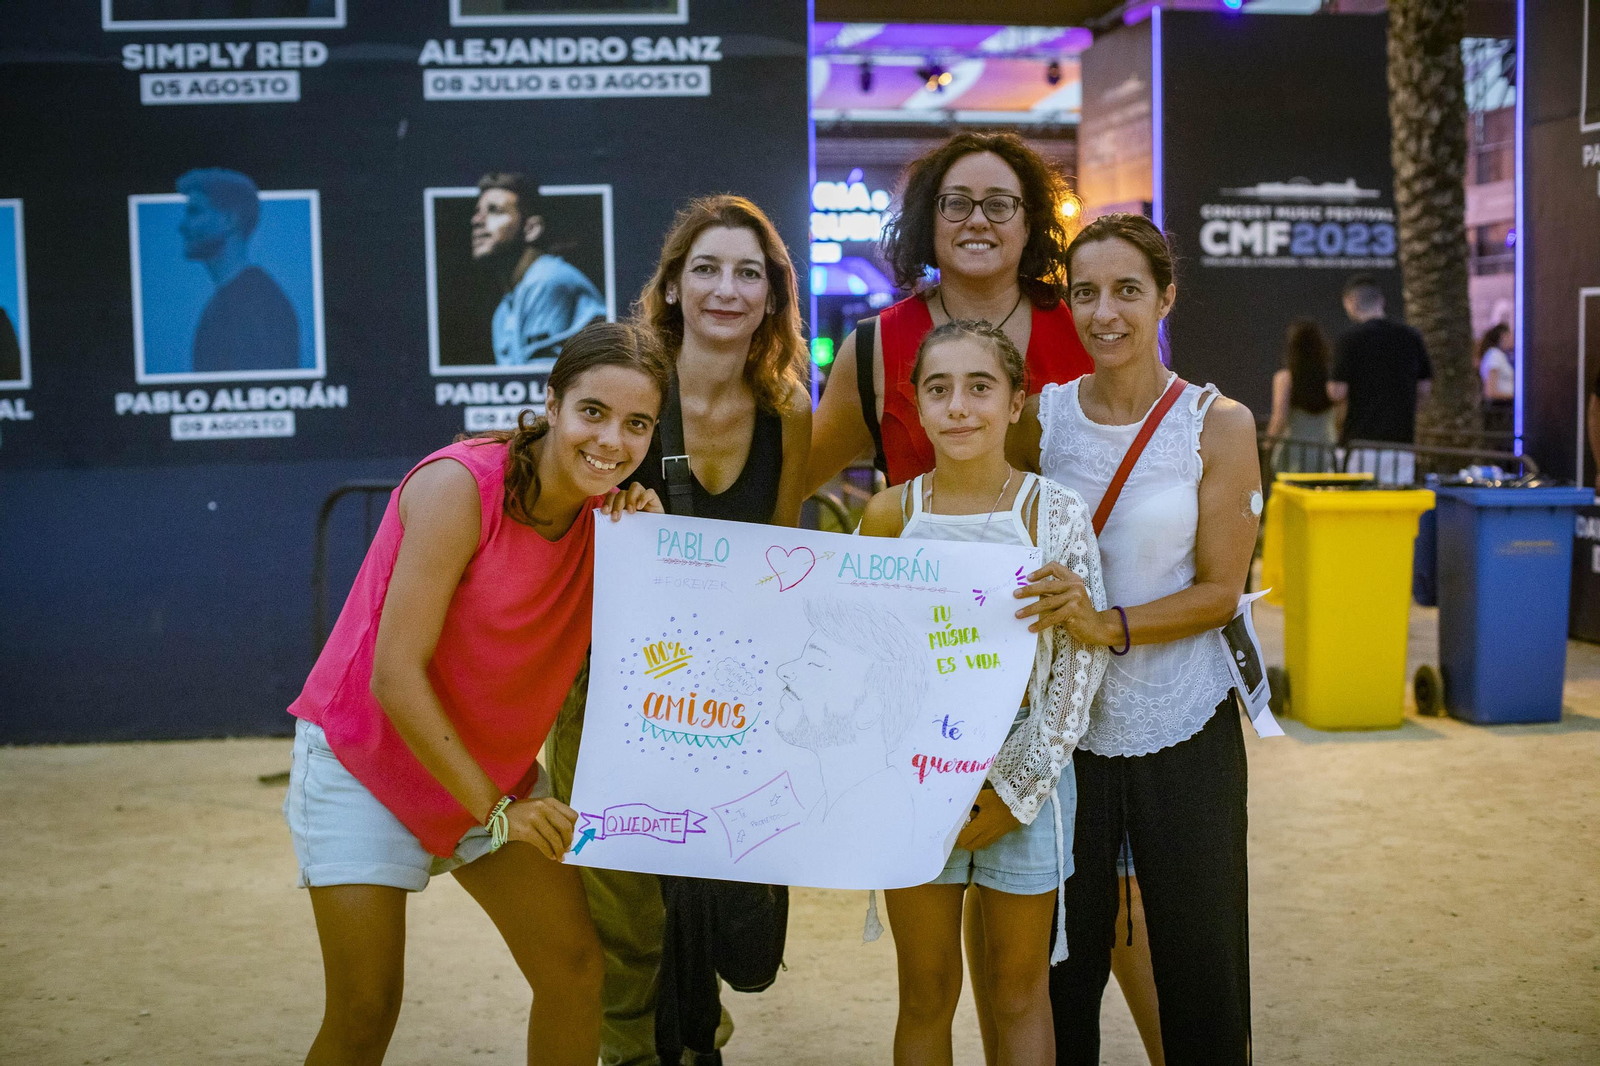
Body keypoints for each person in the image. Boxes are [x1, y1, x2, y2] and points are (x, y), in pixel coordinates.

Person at [282, 322, 670, 1066]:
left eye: (637, 424)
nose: (612, 440)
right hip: (366, 763)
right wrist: (500, 811)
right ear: (552, 403)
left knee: (575, 971)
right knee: (365, 1011)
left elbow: (653, 663)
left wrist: (649, 556)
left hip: (486, 777)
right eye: (593, 411)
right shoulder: (459, 485)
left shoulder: (616, 520)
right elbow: (394, 675)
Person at [543, 193, 810, 1066]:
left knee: (709, 908)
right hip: (611, 686)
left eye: (747, 272)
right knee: (622, 902)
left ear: (772, 295)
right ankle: (629, 1052)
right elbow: (549, 518)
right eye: (705, 269)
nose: (725, 289)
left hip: (722, 697)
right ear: (670, 287)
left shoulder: (787, 411)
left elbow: (782, 557)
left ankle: (699, 1044)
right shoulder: (626, 392)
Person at [1007, 213, 1261, 1065]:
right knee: (1063, 964)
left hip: (1185, 720)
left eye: (1126, 290)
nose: (1104, 312)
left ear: (1165, 297)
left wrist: (1104, 623)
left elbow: (1222, 592)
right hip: (1066, 732)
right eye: (1085, 293)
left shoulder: (1216, 423)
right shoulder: (1037, 422)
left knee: (1201, 955)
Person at [859, 318, 1109, 1066]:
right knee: (926, 992)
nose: (960, 406)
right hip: (916, 776)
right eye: (939, 389)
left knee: (1018, 991)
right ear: (916, 406)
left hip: (1025, 776)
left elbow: (1076, 667)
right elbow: (863, 660)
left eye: (980, 387)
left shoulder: (1051, 513)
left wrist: (1015, 787)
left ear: (1016, 401)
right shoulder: (886, 518)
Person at [806, 131, 1094, 495]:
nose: (977, 220)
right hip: (916, 553)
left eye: (999, 204)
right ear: (929, 221)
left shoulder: (1085, 326)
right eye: (957, 204)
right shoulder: (874, 346)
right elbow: (791, 483)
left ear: (1029, 223)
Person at [774, 597, 925, 863]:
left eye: (815, 664)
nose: (784, 671)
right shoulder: (830, 804)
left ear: (870, 709)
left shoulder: (879, 814)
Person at [472, 172, 607, 370]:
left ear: (531, 229)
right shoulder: (503, 311)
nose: (476, 220)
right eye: (477, 212)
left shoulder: (547, 279)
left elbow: (539, 386)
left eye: (494, 211)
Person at [176, 168, 299, 374]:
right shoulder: (229, 302)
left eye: (194, 211)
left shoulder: (262, 303)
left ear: (229, 220)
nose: (182, 226)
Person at [1327, 272, 1432, 444]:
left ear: (1350, 303)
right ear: (1381, 300)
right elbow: (1424, 388)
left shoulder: (1348, 340)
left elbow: (1336, 392)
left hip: (1359, 441)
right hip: (1402, 441)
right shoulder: (1410, 336)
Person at [1265, 319, 1338, 473]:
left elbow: (1280, 418)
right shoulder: (1330, 379)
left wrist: (1267, 444)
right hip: (1324, 451)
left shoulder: (1285, 378)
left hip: (1293, 450)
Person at [1477, 323, 1514, 435]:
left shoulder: (1501, 356)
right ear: (1503, 336)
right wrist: (1516, 397)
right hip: (1499, 411)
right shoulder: (1494, 355)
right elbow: (1490, 391)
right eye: (1511, 335)